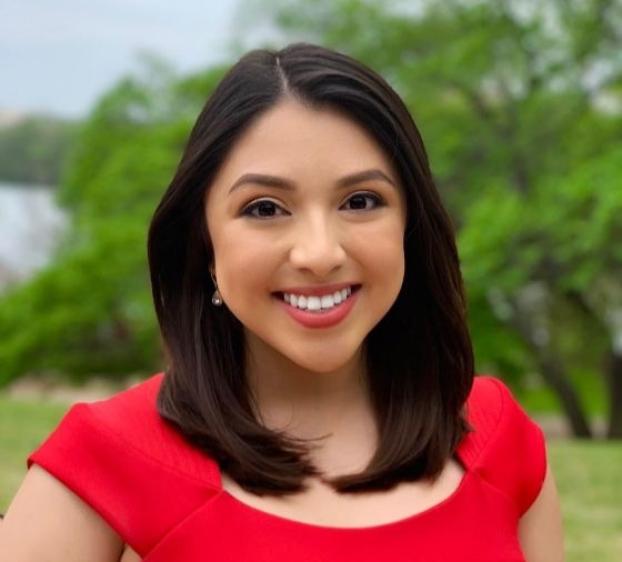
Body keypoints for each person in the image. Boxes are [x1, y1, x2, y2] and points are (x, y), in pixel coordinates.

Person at [0, 43, 564, 561]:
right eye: (265, 208)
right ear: (204, 243)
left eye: (360, 201)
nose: (319, 254)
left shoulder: (499, 437)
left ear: (410, 228)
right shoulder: (106, 456)